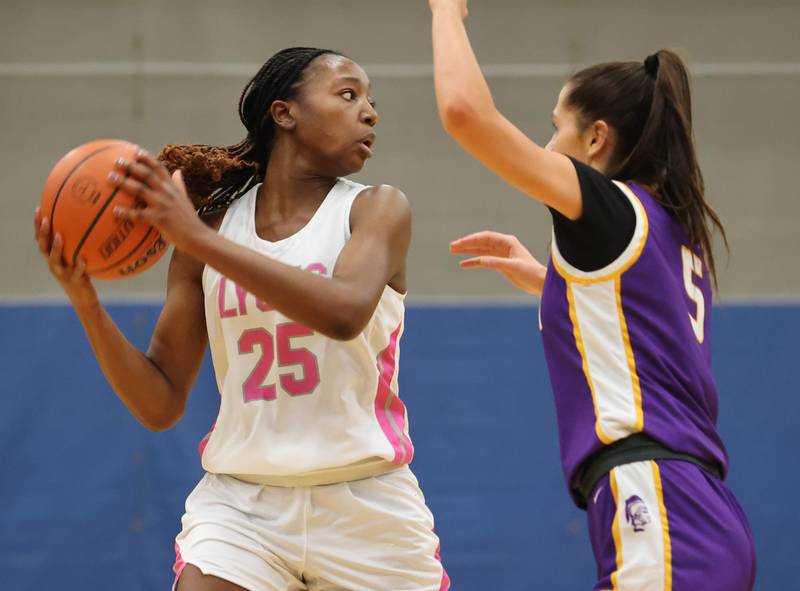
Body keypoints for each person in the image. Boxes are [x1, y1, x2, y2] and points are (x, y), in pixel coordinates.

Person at [34, 46, 449, 591]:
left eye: (371, 101)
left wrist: (199, 240)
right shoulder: (208, 230)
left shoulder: (376, 209)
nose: (369, 112)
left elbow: (344, 312)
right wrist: (87, 304)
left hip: (366, 503)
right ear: (285, 113)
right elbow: (160, 402)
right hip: (243, 505)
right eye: (348, 94)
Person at [428, 2, 756, 590]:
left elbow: (465, 114)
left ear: (597, 137)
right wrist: (551, 283)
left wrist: (445, 13)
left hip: (658, 501)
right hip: (698, 510)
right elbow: (640, 332)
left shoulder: (608, 206)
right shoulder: (674, 228)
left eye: (556, 125)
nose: (549, 144)